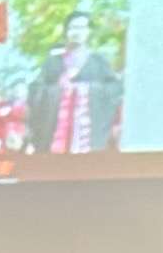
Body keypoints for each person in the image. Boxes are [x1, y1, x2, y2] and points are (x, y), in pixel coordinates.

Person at [27, 10, 121, 156]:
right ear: (66, 32)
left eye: (82, 28)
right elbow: (36, 91)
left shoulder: (99, 61)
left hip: (89, 136)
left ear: (89, 32)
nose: (77, 32)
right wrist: (59, 91)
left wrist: (86, 91)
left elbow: (114, 89)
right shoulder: (53, 62)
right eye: (73, 28)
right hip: (56, 136)